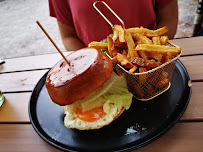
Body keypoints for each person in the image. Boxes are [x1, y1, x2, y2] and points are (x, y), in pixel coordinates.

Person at [49, 0, 178, 51]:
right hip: (95, 67)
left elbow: (168, 20)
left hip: (150, 63)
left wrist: (145, 57)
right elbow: (68, 37)